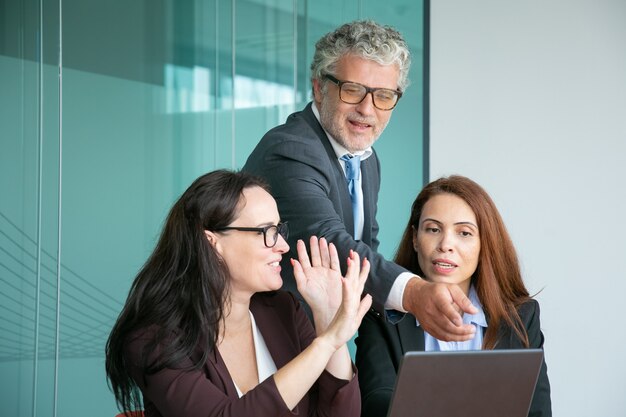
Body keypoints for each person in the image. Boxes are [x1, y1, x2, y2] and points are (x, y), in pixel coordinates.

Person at [243, 20, 476, 341]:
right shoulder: (291, 149)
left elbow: (366, 248)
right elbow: (329, 241)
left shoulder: (365, 159)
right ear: (318, 88)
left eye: (383, 95)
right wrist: (414, 292)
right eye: (352, 90)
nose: (367, 109)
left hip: (321, 340)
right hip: (268, 341)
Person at [105, 170, 373, 417]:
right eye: (266, 231)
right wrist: (324, 343)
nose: (281, 244)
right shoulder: (155, 340)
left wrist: (329, 330)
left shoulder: (283, 310)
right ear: (213, 243)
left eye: (279, 230)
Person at [355, 175, 552, 417]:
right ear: (416, 238)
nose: (446, 244)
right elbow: (376, 402)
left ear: (484, 243)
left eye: (464, 233)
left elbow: (537, 410)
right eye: (433, 229)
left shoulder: (521, 316)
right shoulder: (380, 313)